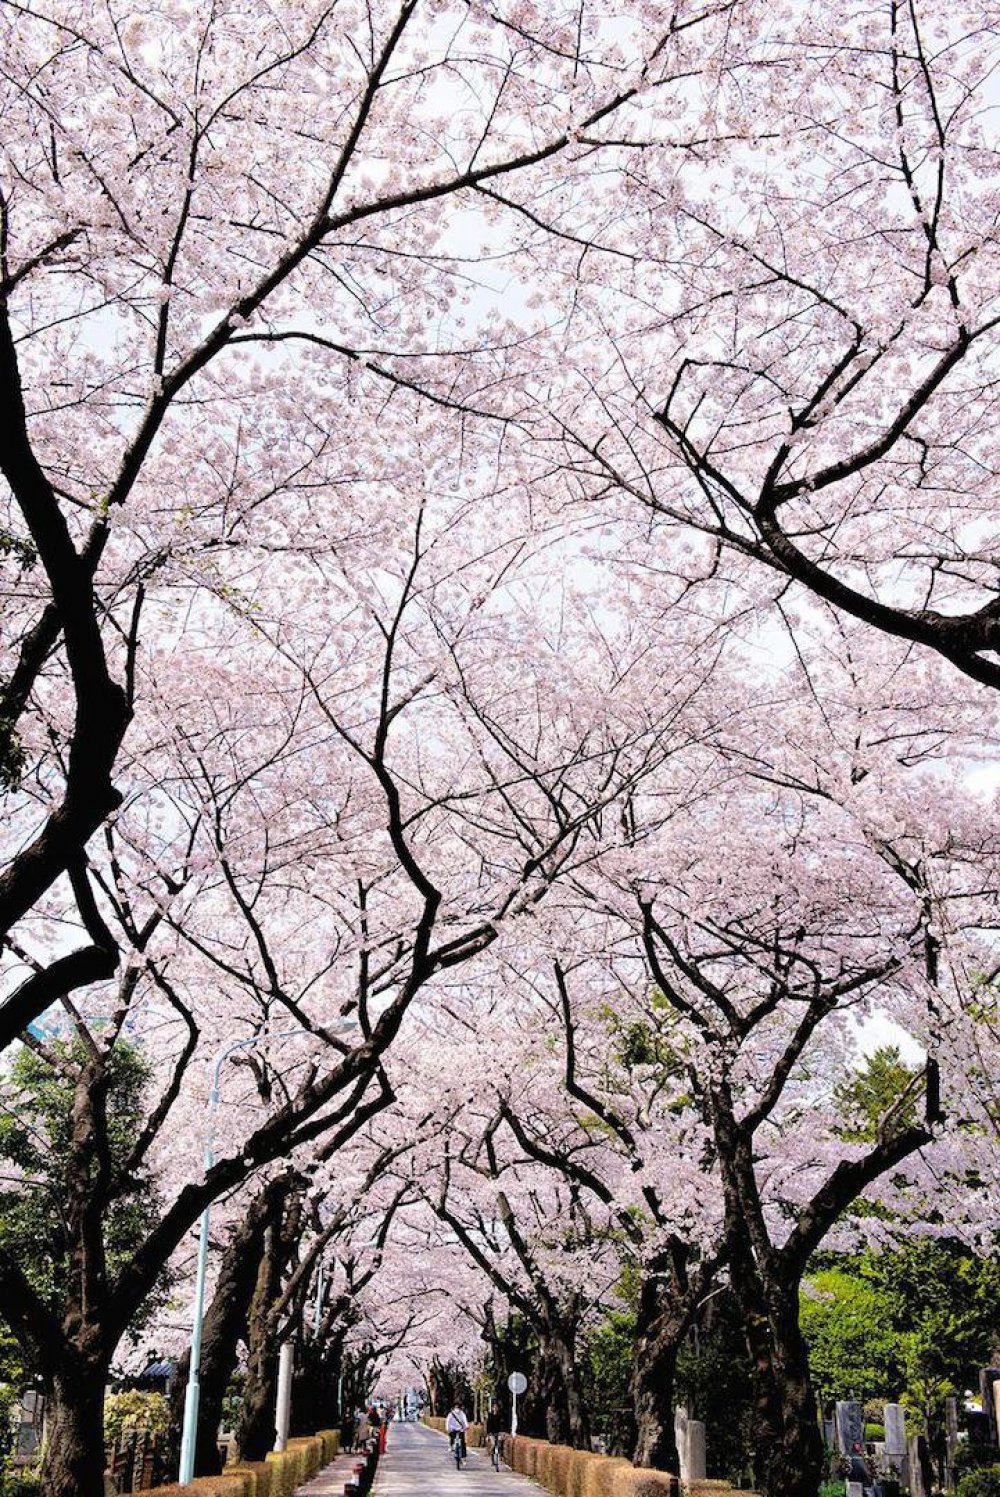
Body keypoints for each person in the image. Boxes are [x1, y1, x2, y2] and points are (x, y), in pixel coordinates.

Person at [485, 1399, 505, 1467]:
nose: (495, 1408)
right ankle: (492, 1460)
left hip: (498, 1432)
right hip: (491, 1433)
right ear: (492, 1408)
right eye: (494, 1407)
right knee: (493, 1444)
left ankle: (500, 1455)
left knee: (499, 1444)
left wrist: (502, 1433)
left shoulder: (500, 1415)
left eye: (496, 1407)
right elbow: (488, 1425)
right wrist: (487, 1435)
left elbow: (502, 1424)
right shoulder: (490, 1415)